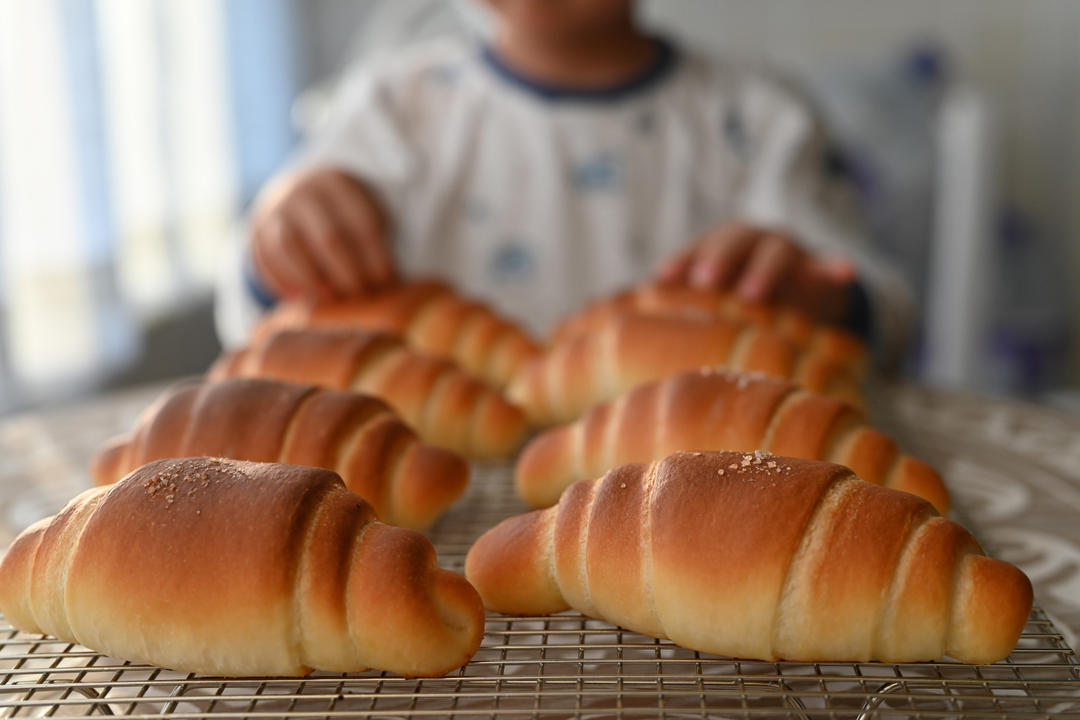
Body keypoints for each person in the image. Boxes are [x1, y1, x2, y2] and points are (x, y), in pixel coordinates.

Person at [217, 0, 912, 362]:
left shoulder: (761, 120)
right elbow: (254, 323)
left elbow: (889, 318)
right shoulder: (390, 108)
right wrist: (279, 232)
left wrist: (823, 298)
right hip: (421, 526)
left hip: (687, 505)